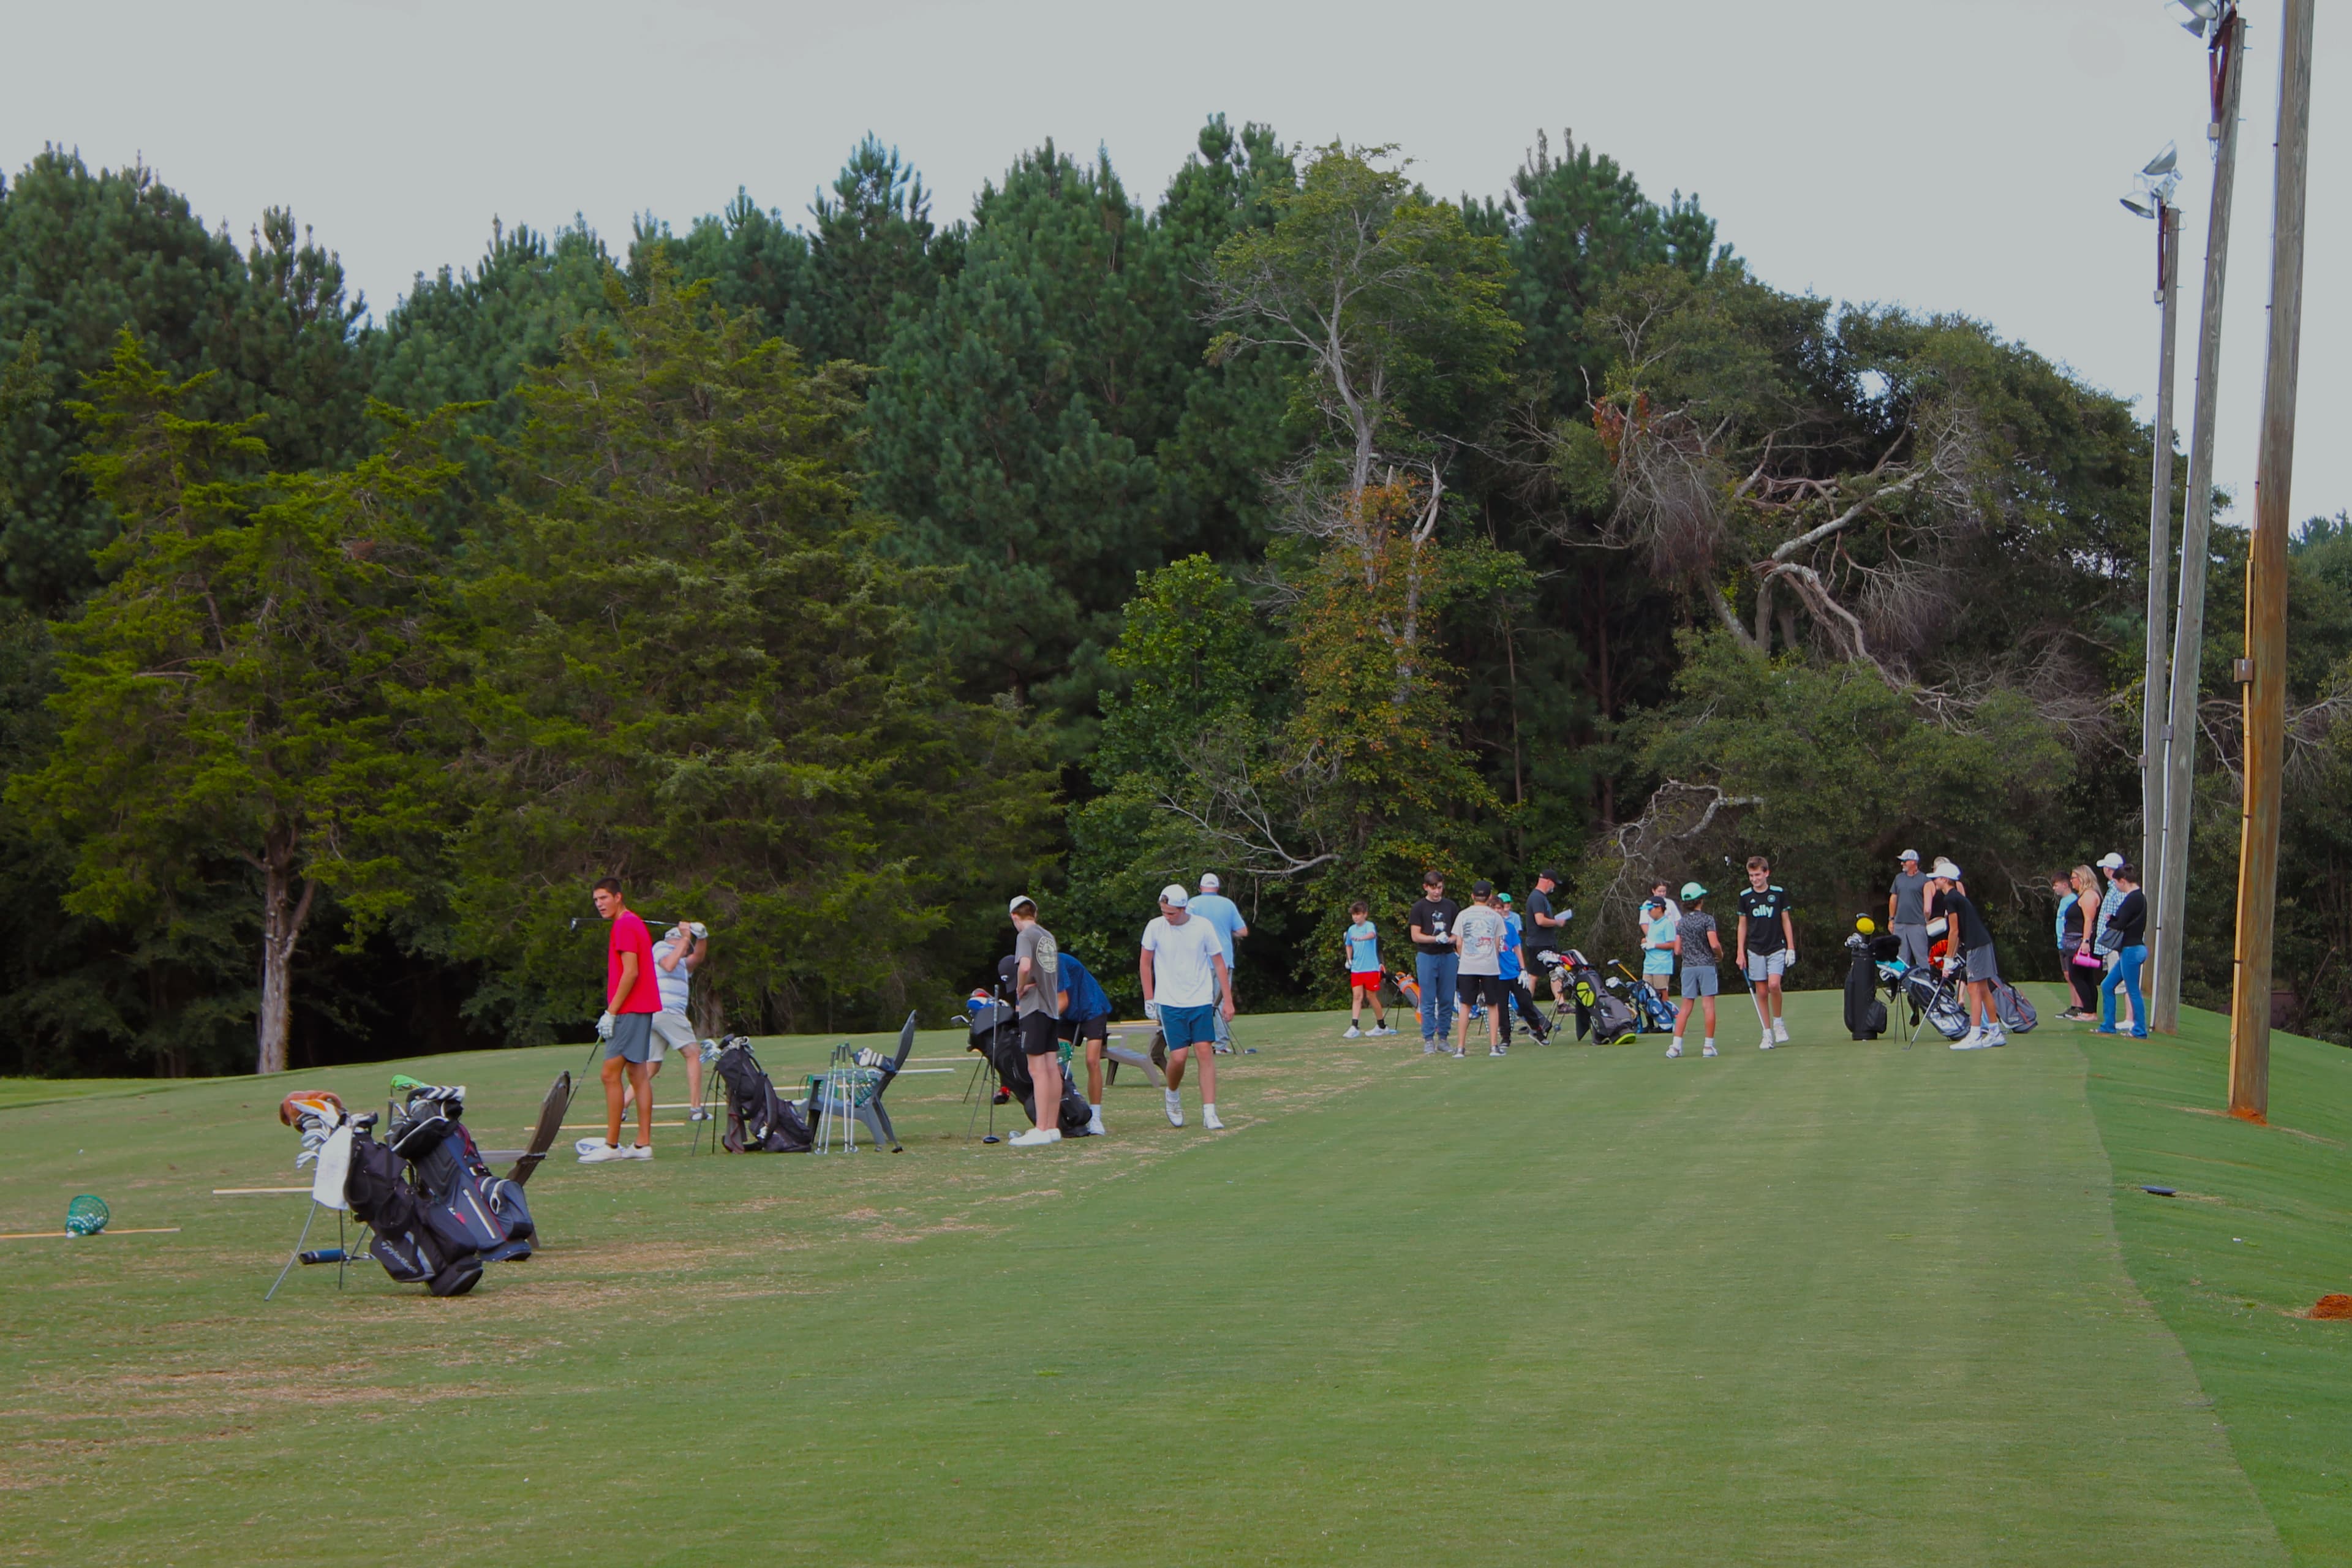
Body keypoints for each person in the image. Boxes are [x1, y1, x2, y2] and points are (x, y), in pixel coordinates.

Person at [582, 876, 662, 1162]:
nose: (600, 904)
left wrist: (611, 1012)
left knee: (609, 1074)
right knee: (637, 1074)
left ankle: (612, 1146)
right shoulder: (631, 922)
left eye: (604, 898)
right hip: (637, 1008)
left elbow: (631, 972)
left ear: (618, 897)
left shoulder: (625, 924)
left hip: (630, 1009)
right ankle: (642, 1145)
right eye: (596, 900)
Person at [1140, 884, 1233, 1129]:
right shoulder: (1155, 927)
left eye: (1171, 913)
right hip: (1170, 1002)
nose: (1167, 917)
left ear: (1183, 909)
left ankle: (1210, 1112)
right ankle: (1172, 1094)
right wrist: (1149, 998)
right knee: (1179, 1057)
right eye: (1164, 912)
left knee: (1205, 1051)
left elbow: (1220, 964)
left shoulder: (1203, 926)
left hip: (1200, 999)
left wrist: (1228, 1000)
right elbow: (1145, 962)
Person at [1928, 859, 2005, 1050]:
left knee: (1974, 990)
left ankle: (1975, 1034)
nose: (1935, 882)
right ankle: (1995, 1033)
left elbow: (1953, 932)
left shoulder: (1951, 899)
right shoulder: (1955, 898)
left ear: (1945, 879)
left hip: (1977, 946)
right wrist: (1950, 959)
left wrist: (1947, 959)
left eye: (1937, 879)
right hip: (1980, 943)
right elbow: (1958, 932)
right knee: (1983, 989)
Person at [1006, 896, 1064, 1147]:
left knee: (1037, 1070)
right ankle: (1052, 1127)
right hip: (1051, 1008)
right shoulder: (1048, 936)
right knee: (1052, 1069)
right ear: (1035, 913)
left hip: (1034, 1008)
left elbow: (1025, 965)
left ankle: (1041, 1128)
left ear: (1014, 917)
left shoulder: (1025, 937)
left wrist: (1020, 987)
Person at [648, 923, 709, 1121]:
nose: (688, 950)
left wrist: (702, 938)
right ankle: (696, 1109)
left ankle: (622, 1105)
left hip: (660, 1015)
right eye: (685, 944)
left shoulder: (682, 961)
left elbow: (697, 958)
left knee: (651, 1067)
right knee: (693, 1053)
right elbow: (668, 965)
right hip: (667, 1011)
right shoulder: (661, 947)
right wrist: (685, 937)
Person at [1735, 856, 1796, 1049]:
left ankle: (1778, 1022)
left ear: (1766, 873)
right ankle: (1767, 1033)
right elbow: (1742, 925)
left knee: (1774, 985)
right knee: (1761, 992)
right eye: (1751, 875)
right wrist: (1740, 952)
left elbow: (1786, 920)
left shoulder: (1778, 893)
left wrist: (1791, 948)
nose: (1755, 879)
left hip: (1776, 947)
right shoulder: (1745, 896)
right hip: (1755, 949)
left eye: (1758, 874)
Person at [1054, 948, 1114, 1136]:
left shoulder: (1057, 961)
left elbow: (1062, 999)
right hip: (1068, 1013)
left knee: (1092, 1061)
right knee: (1057, 1060)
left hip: (1092, 1008)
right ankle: (1067, 1108)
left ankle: (1095, 1117)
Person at [1188, 873, 1248, 1050]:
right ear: (1217, 888)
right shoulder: (1227, 904)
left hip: (1200, 962)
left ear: (1200, 888)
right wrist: (1228, 933)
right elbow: (1243, 931)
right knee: (1222, 1002)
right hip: (1224, 959)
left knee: (1200, 1001)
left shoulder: (1192, 904)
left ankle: (1203, 1042)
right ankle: (1222, 1045)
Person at [1451, 881, 1511, 1058]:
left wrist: (1465, 958)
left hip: (1467, 966)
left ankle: (1460, 1048)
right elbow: (1498, 943)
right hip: (1489, 965)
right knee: (1493, 1005)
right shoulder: (1495, 916)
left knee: (1465, 1005)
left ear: (1472, 896)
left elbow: (1459, 942)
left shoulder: (1463, 915)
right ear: (1490, 897)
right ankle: (1494, 1046)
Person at [1408, 872, 1463, 1053]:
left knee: (1447, 999)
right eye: (1433, 888)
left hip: (1448, 955)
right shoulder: (1419, 907)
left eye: (1440, 887)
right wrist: (1434, 940)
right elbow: (1415, 935)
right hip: (1427, 956)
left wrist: (1451, 940)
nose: (1437, 892)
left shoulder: (1450, 906)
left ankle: (1444, 1038)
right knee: (1428, 999)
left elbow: (1458, 933)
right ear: (1426, 887)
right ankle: (1429, 1039)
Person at [2095, 865, 2149, 1038]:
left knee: (2133, 990)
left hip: (2132, 950)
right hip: (2133, 949)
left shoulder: (2133, 898)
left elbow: (2119, 923)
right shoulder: (2139, 898)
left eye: (2116, 883)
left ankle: (2140, 1030)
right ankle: (2108, 1026)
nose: (2116, 886)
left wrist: (2110, 921)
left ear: (2123, 881)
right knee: (2107, 985)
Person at [1668, 881, 1721, 1059]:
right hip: (1706, 965)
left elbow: (1677, 950)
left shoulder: (1681, 923)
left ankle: (1675, 1047)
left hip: (1688, 967)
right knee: (1708, 1006)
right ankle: (1708, 1046)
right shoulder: (1707, 919)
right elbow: (1714, 944)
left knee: (1685, 1007)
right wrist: (1720, 954)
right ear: (1700, 900)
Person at [1494, 892, 1551, 1047]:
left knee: (1525, 1002)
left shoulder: (1510, 927)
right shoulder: (1488, 930)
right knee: (1502, 1008)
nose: (1498, 911)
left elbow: (1517, 948)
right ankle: (1505, 1037)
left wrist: (1523, 969)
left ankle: (1537, 1030)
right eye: (1495, 909)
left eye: (1500, 908)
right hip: (1498, 975)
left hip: (1514, 971)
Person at [2093, 851, 2135, 1032]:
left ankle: (2129, 1018)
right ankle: (2122, 1018)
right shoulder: (2113, 887)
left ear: (2108, 869)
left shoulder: (2118, 888)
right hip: (2110, 942)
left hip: (2116, 942)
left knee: (2122, 981)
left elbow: (2123, 912)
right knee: (2114, 980)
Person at [1341, 901, 1393, 1038]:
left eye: (1358, 914)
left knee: (1371, 996)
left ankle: (1382, 1026)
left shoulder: (1369, 926)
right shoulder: (1351, 929)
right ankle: (1354, 1026)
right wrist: (1349, 959)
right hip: (1357, 969)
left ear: (1365, 914)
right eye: (1354, 914)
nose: (1355, 917)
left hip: (1370, 968)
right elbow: (1349, 945)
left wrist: (1361, 938)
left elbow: (1372, 935)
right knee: (1357, 996)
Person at [1523, 869, 1571, 1006]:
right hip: (1539, 943)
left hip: (1547, 942)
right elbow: (1540, 920)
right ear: (1549, 881)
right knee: (1534, 975)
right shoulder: (1537, 897)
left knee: (1556, 972)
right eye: (1554, 884)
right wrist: (1557, 922)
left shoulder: (1541, 897)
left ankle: (1561, 1003)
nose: (1554, 887)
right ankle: (1526, 1005)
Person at [1887, 851, 1932, 973]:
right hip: (1900, 923)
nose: (1902, 864)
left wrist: (1926, 920)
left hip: (1917, 924)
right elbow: (1893, 898)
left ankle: (1925, 983)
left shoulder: (1925, 880)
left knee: (1921, 957)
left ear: (1913, 862)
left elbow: (1928, 904)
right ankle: (1901, 984)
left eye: (1905, 861)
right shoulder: (1899, 878)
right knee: (1900, 957)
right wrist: (1891, 920)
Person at [1640, 895, 1677, 1001]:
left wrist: (1654, 945)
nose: (1648, 913)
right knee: (1647, 994)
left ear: (1659, 909)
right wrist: (1646, 944)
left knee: (1661, 993)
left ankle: (1669, 1016)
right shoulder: (1653, 925)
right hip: (1649, 965)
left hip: (1661, 965)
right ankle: (1651, 1017)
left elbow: (1672, 945)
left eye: (1650, 910)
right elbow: (1651, 942)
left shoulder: (1667, 924)